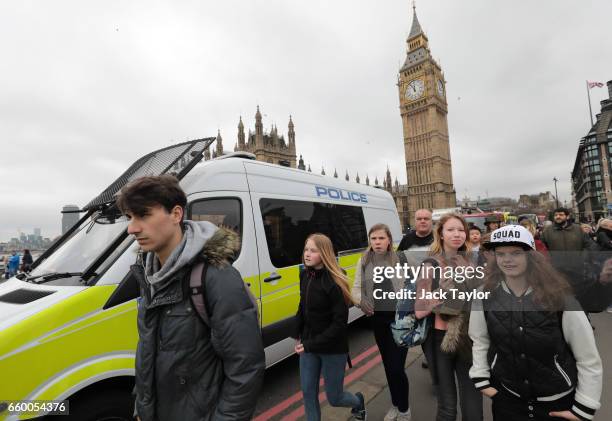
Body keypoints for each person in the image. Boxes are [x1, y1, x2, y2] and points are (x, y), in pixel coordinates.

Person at [117, 175, 265, 421]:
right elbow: (147, 353)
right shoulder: (148, 273)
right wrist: (142, 408)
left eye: (143, 215)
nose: (132, 228)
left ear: (176, 214)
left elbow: (245, 368)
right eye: (130, 218)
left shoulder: (216, 276)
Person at [469, 225, 602, 421]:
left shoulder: (560, 299)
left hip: (557, 404)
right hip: (508, 401)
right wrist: (481, 379)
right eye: (501, 253)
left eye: (516, 253)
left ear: (530, 256)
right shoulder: (483, 295)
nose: (507, 260)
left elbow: (588, 358)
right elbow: (479, 339)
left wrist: (584, 406)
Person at [415, 213, 483, 421]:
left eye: (461, 230)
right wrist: (441, 294)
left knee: (473, 404)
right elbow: (419, 309)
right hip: (440, 340)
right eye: (451, 230)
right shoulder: (430, 265)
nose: (457, 234)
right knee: (447, 407)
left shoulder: (472, 263)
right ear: (441, 234)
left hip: (469, 337)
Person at [293, 233, 366, 421]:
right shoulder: (304, 275)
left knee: (335, 398)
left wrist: (310, 344)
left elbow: (339, 325)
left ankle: (358, 402)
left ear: (324, 253)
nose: (307, 254)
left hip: (332, 349)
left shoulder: (334, 282)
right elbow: (303, 305)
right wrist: (297, 332)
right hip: (309, 346)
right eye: (306, 249)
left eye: (313, 251)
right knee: (308, 394)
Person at [352, 223, 411, 421]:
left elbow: (411, 288)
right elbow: (356, 288)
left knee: (396, 368)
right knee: (388, 366)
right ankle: (395, 404)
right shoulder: (364, 260)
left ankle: (404, 410)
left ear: (389, 241)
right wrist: (361, 302)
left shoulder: (400, 259)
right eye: (373, 238)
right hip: (377, 321)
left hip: (399, 320)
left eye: (381, 238)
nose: (377, 242)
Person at [540, 208, 602, 311]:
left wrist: (583, 257)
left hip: (577, 270)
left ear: (567, 216)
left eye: (561, 215)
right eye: (556, 215)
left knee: (579, 298)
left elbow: (591, 246)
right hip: (556, 271)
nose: (558, 217)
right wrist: (548, 260)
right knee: (559, 298)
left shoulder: (578, 230)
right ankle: (561, 323)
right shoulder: (548, 231)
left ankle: (583, 321)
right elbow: (542, 248)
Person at [398, 209, 436, 373]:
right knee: (423, 332)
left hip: (436, 292)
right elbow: (398, 262)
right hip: (415, 293)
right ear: (415, 220)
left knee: (437, 332)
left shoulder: (438, 239)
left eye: (426, 218)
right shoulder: (407, 240)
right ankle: (433, 365)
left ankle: (438, 367)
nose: (422, 221)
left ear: (431, 220)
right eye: (419, 218)